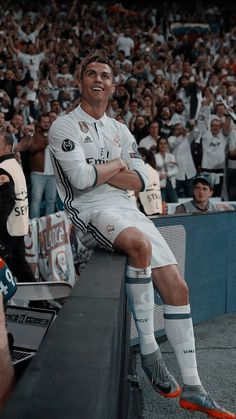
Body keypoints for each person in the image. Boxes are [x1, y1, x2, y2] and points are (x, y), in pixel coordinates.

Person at [49, 52, 235, 418]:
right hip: (90, 212)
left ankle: (194, 388)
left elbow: (142, 179)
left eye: (105, 74)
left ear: (113, 85)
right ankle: (149, 351)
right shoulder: (65, 126)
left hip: (128, 209)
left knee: (178, 287)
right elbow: (82, 182)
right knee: (138, 244)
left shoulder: (119, 129)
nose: (98, 79)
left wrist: (109, 167)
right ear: (80, 80)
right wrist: (120, 165)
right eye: (91, 73)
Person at [0, 130, 35, 282]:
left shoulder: (3, 168)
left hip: (7, 228)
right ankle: (39, 300)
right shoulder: (14, 163)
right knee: (19, 266)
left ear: (8, 147)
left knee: (11, 268)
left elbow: (5, 203)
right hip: (18, 224)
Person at [28, 113, 57, 219]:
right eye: (43, 122)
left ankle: (48, 226)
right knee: (36, 200)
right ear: (39, 123)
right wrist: (45, 142)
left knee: (51, 200)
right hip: (38, 173)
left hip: (53, 174)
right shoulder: (34, 134)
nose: (46, 124)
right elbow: (31, 148)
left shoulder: (55, 134)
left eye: (47, 122)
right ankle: (33, 225)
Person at [155, 137, 179, 203]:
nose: (163, 145)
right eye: (161, 144)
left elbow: (176, 169)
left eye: (165, 143)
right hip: (160, 184)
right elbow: (154, 170)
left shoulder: (171, 156)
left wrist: (167, 174)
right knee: (162, 204)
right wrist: (159, 175)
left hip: (171, 183)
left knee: (174, 203)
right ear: (158, 145)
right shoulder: (154, 157)